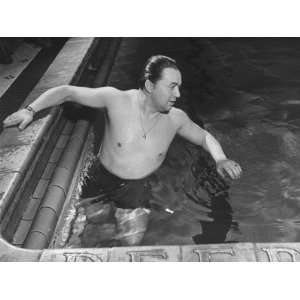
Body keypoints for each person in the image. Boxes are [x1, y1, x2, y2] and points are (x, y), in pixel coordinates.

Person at [3, 55, 242, 246]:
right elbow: (66, 91)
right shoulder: (115, 99)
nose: (177, 94)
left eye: (179, 87)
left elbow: (204, 137)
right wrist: (30, 110)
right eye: (172, 87)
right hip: (99, 180)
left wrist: (220, 159)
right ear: (150, 85)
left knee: (130, 244)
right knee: (77, 237)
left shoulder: (177, 119)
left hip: (136, 191)